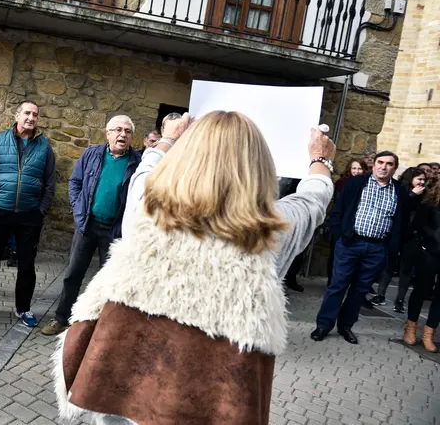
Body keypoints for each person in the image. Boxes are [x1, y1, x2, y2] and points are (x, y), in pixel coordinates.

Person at [53, 112, 335, 424]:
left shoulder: (151, 205)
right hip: (204, 406)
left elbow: (145, 171)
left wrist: (169, 138)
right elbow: (314, 200)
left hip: (127, 397)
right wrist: (320, 158)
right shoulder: (274, 228)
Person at [41, 115, 141, 336]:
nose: (122, 134)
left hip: (115, 231)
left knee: (109, 281)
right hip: (87, 225)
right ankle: (61, 318)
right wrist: (78, 210)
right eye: (117, 130)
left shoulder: (137, 162)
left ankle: (100, 328)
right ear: (108, 133)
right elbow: (75, 182)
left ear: (132, 136)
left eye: (127, 131)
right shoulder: (92, 154)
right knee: (73, 274)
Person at [0, 100, 56, 328]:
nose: (31, 117)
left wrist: (41, 210)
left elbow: (50, 182)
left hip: (29, 214)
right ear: (17, 116)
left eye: (35, 114)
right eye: (26, 113)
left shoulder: (44, 146)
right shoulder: (0, 140)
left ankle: (23, 309)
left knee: (27, 264)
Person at [312, 151, 410, 345]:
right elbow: (339, 209)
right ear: (374, 165)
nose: (383, 167)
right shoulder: (357, 183)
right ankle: (323, 325)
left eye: (389, 164)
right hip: (350, 243)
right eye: (380, 162)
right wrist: (340, 235)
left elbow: (402, 222)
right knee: (338, 285)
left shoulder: (399, 191)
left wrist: (391, 248)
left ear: (394, 168)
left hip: (377, 248)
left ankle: (345, 326)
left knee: (360, 290)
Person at [369, 167, 426, 308]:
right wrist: (412, 195)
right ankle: (380, 295)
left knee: (405, 269)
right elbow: (399, 207)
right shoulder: (400, 190)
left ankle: (400, 300)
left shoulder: (425, 196)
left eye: (424, 179)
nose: (422, 182)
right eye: (419, 179)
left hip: (412, 237)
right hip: (397, 234)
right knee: (388, 267)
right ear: (411, 179)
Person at [402, 185, 440, 353]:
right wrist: (434, 235)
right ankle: (411, 327)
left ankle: (429, 333)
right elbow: (419, 224)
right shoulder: (430, 202)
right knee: (421, 290)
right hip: (430, 251)